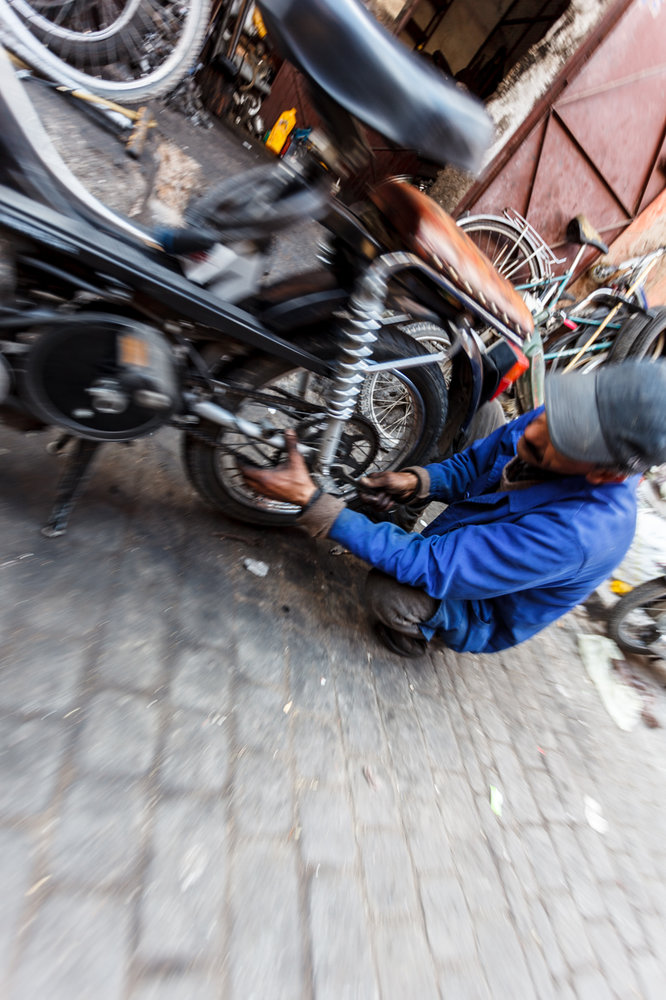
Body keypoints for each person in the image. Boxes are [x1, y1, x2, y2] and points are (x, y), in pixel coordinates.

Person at [241, 361, 666, 657]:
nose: (535, 429)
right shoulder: (561, 424)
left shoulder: (577, 533)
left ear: (604, 474)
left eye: (565, 439)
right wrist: (417, 482)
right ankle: (405, 520)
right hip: (480, 537)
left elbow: (432, 564)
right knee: (486, 413)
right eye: (558, 414)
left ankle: (424, 633)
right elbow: (476, 463)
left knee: (388, 593)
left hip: (485, 608)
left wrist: (316, 506)